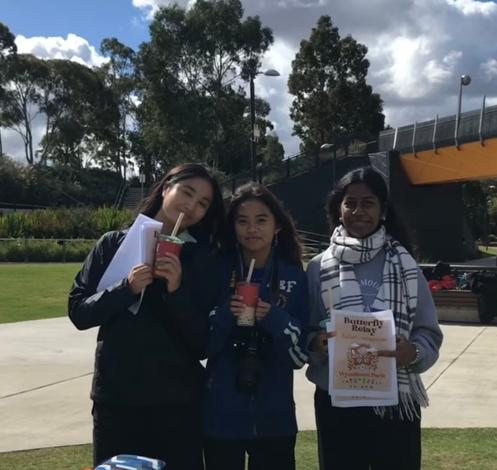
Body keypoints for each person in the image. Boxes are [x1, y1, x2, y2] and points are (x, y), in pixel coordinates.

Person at [68, 163, 226, 470]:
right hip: (117, 400)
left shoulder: (202, 258)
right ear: (166, 188)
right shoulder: (113, 244)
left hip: (177, 404)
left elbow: (203, 344)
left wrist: (176, 290)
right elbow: (79, 312)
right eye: (187, 193)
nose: (191, 206)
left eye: (203, 203)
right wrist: (125, 288)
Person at [306, 167, 443, 470]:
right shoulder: (318, 267)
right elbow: (308, 329)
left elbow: (428, 332)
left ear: (383, 211)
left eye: (368, 203)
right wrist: (316, 343)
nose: (358, 211)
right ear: (338, 209)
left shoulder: (406, 266)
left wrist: (413, 352)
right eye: (350, 203)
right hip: (336, 400)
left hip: (395, 403)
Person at [204, 183, 309, 470]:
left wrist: (274, 317)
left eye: (261, 220)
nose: (252, 229)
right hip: (221, 415)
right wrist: (225, 315)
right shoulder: (217, 269)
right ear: (232, 227)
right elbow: (200, 346)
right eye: (242, 221)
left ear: (277, 226)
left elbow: (300, 357)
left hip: (275, 419)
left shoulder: (294, 275)